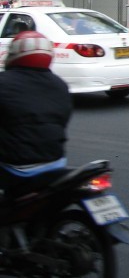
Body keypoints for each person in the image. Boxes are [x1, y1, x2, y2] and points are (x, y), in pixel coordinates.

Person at [0, 31, 71, 193]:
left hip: (17, 165)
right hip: (56, 161)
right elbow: (62, 121)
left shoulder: (3, 82)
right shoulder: (60, 85)